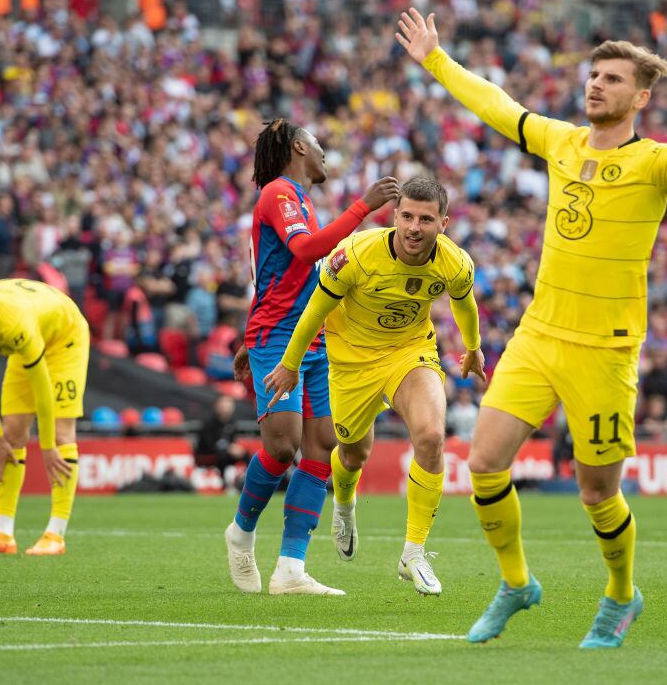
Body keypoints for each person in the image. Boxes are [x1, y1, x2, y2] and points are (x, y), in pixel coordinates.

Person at [395, 7, 667, 646]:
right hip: (540, 334)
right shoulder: (561, 141)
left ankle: (622, 596)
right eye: (594, 75)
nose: (596, 85)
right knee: (483, 463)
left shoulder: (653, 162)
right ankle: (516, 584)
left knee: (597, 495)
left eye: (612, 79)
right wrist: (434, 58)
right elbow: (496, 103)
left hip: (606, 350)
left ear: (640, 96)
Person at [263, 176, 485, 596]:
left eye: (425, 219)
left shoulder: (455, 263)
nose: (414, 227)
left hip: (410, 353)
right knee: (352, 451)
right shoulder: (356, 255)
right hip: (351, 363)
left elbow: (464, 301)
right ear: (395, 215)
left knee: (432, 436)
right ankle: (344, 505)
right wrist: (290, 364)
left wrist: (473, 348)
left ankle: (413, 553)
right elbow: (314, 311)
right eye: (407, 216)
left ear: (444, 223)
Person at [224, 118, 400, 596]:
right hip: (279, 336)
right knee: (283, 445)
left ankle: (291, 568)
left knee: (322, 444)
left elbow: (275, 273)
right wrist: (365, 205)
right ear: (300, 146)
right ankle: (240, 534)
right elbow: (304, 252)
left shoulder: (301, 200)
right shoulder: (279, 192)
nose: (325, 153)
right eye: (319, 144)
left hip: (313, 335)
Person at [0, 276, 90, 556]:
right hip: (30, 340)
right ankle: (2, 535)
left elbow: (42, 388)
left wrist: (46, 447)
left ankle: (55, 536)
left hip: (64, 337)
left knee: (60, 435)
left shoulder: (15, 322)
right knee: (12, 436)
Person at [195, 395, 249, 485]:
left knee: (245, 454)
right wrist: (227, 448)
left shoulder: (232, 422)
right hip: (207, 454)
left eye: (229, 407)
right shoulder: (208, 423)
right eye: (224, 407)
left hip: (225, 452)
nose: (226, 410)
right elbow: (209, 444)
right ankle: (224, 483)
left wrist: (235, 449)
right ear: (217, 407)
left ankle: (246, 480)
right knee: (222, 454)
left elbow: (232, 440)